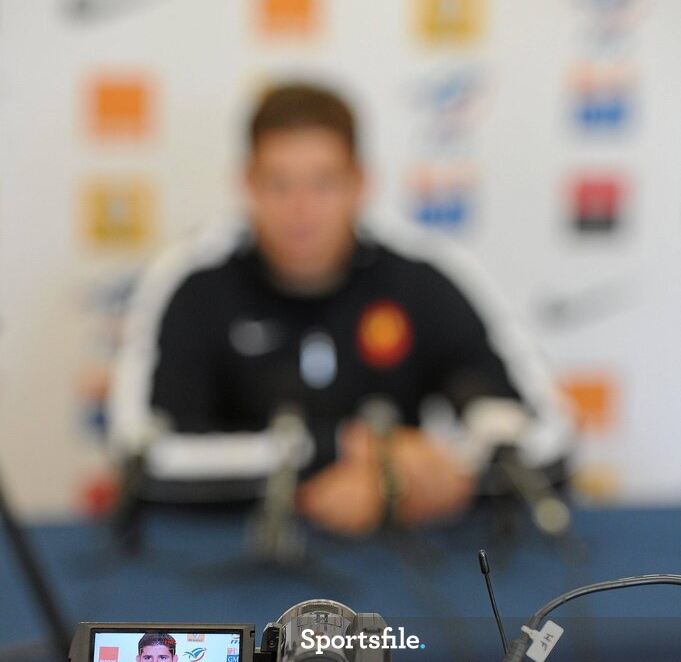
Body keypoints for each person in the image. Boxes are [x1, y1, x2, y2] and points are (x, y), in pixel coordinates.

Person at [110, 83, 574, 535]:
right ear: (246, 184)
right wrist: (343, 451)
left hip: (405, 570)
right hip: (220, 574)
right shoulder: (195, 281)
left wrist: (410, 480)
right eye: (278, 183)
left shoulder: (422, 275)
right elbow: (142, 458)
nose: (301, 209)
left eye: (323, 183)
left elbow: (549, 442)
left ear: (360, 183)